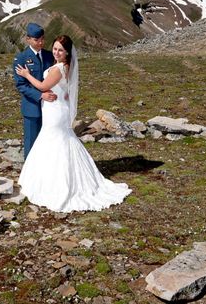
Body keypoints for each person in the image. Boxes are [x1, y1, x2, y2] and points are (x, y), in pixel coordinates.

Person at [15, 35, 131, 213]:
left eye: (60, 50)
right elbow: (64, 90)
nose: (56, 52)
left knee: (53, 142)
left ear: (67, 52)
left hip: (54, 112)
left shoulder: (59, 68)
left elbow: (42, 85)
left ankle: (55, 183)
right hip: (57, 108)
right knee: (59, 142)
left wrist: (26, 74)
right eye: (54, 48)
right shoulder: (66, 67)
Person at [13, 23, 56, 159]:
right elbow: (21, 85)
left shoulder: (50, 56)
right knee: (31, 142)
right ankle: (29, 175)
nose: (40, 42)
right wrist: (40, 95)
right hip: (32, 107)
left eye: (42, 39)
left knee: (48, 140)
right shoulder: (21, 58)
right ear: (28, 39)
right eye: (36, 40)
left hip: (50, 107)